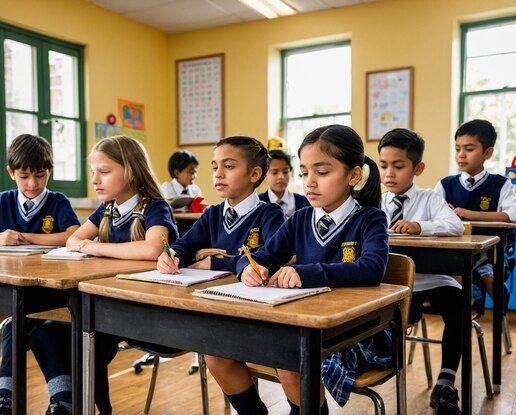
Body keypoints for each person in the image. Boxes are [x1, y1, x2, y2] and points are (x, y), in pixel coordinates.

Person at [224, 125, 387, 415]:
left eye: (322, 173)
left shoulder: (370, 218)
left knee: (288, 355)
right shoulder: (300, 219)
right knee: (217, 348)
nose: (310, 182)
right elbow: (263, 255)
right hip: (302, 322)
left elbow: (372, 269)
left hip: (353, 331)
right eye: (304, 172)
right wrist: (247, 267)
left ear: (354, 175)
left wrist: (305, 272)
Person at [0, 133, 81, 415]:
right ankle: (50, 398)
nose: (32, 184)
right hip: (18, 291)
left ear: (49, 171)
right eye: (24, 176)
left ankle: (12, 396)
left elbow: (72, 235)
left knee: (26, 326)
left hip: (53, 292)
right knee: (17, 324)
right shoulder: (3, 201)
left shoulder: (57, 202)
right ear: (11, 173)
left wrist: (27, 236)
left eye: (39, 175)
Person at [63, 135, 177, 415]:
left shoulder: (154, 207)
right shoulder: (107, 209)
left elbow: (153, 249)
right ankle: (85, 406)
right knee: (60, 334)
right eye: (93, 173)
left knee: (84, 339)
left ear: (131, 171)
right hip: (108, 304)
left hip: (147, 309)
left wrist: (97, 248)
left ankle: (93, 407)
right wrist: (88, 245)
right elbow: (72, 240)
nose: (94, 180)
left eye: (104, 172)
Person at [379, 128, 464, 415]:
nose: (389, 173)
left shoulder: (429, 199)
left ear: (418, 168)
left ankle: (446, 381)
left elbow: (455, 226)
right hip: (395, 287)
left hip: (433, 280)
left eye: (398, 166)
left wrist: (420, 226)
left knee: (459, 303)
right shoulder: (375, 203)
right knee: (392, 317)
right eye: (383, 165)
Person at [156, 135, 284, 275]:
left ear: (254, 174)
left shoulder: (270, 213)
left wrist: (216, 263)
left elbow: (271, 257)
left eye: (228, 166)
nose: (218, 174)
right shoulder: (212, 214)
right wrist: (172, 256)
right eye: (215, 167)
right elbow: (185, 245)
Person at [434, 119, 516, 300]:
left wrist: (470, 214)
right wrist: (444, 210)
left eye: (469, 149)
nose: (461, 155)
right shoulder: (445, 184)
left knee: (483, 265)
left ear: (488, 153)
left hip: (492, 254)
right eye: (457, 148)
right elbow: (431, 213)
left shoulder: (500, 184)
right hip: (453, 253)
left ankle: (483, 291)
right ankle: (465, 294)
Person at [258, 149, 310, 218]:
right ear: (264, 176)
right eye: (274, 172)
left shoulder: (304, 202)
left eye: (285, 172)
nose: (281, 177)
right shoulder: (257, 203)